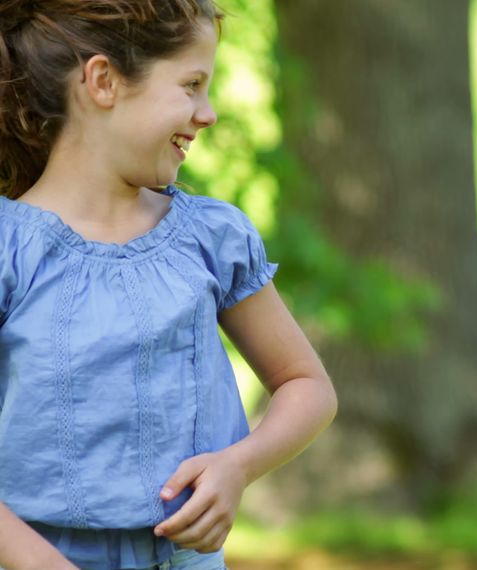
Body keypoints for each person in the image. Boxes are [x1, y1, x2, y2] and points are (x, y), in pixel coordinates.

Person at [0, 1, 338, 568]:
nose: (207, 114)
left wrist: (239, 465)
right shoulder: (11, 252)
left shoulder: (212, 238)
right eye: (192, 84)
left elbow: (307, 386)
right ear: (103, 81)